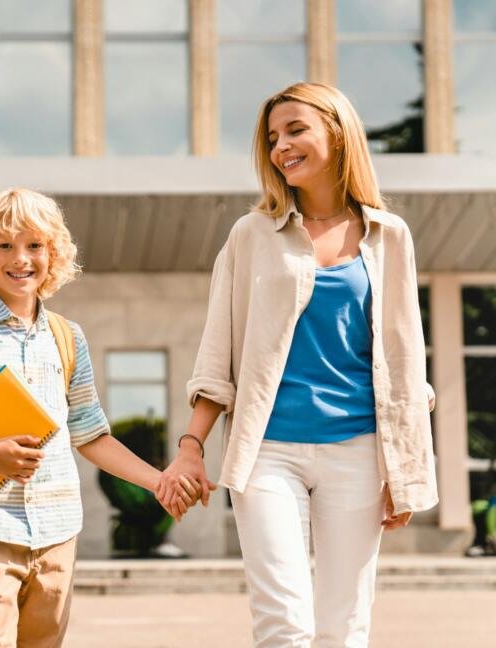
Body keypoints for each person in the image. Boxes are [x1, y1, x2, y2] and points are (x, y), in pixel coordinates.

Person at [156, 82, 438, 647]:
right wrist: (191, 444)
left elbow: (405, 361)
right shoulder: (251, 235)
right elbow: (220, 350)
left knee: (345, 624)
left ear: (337, 132)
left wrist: (404, 469)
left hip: (358, 450)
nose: (281, 146)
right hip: (267, 453)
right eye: (272, 138)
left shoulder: (390, 237)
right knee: (282, 623)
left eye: (295, 130)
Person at [0, 188, 178, 648]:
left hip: (58, 532)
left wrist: (158, 482)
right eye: (5, 246)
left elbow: (90, 434)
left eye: (34, 245)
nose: (20, 258)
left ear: (54, 254)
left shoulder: (68, 338)